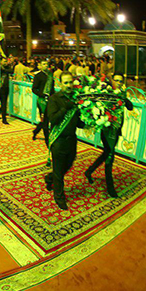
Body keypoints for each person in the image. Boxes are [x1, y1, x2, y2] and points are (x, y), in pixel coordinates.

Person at [85, 74, 133, 198]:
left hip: (116, 129)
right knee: (110, 156)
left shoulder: (121, 94)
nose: (118, 83)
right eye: (116, 80)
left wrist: (124, 98)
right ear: (112, 81)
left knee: (106, 153)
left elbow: (130, 107)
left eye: (120, 81)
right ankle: (110, 187)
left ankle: (89, 171)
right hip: (107, 130)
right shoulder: (106, 92)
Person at [44, 73, 84, 210]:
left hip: (72, 139)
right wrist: (64, 108)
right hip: (59, 141)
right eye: (65, 83)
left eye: (70, 82)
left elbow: (78, 121)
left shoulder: (76, 98)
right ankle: (59, 197)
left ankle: (50, 178)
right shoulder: (54, 99)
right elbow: (53, 119)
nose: (68, 85)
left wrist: (87, 122)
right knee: (59, 170)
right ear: (60, 84)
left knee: (68, 165)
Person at [32, 59, 54, 145]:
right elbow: (34, 89)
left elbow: (52, 88)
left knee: (46, 120)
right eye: (44, 64)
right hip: (42, 101)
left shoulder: (50, 75)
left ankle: (35, 131)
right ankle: (47, 140)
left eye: (46, 64)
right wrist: (42, 95)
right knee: (45, 121)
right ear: (40, 66)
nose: (46, 65)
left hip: (50, 100)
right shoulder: (38, 76)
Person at [0, 58, 11, 125]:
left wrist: (5, 68)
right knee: (4, 104)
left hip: (6, 88)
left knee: (4, 104)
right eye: (4, 61)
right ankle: (4, 119)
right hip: (1, 89)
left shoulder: (7, 69)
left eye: (6, 61)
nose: (5, 62)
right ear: (1, 62)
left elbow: (12, 71)